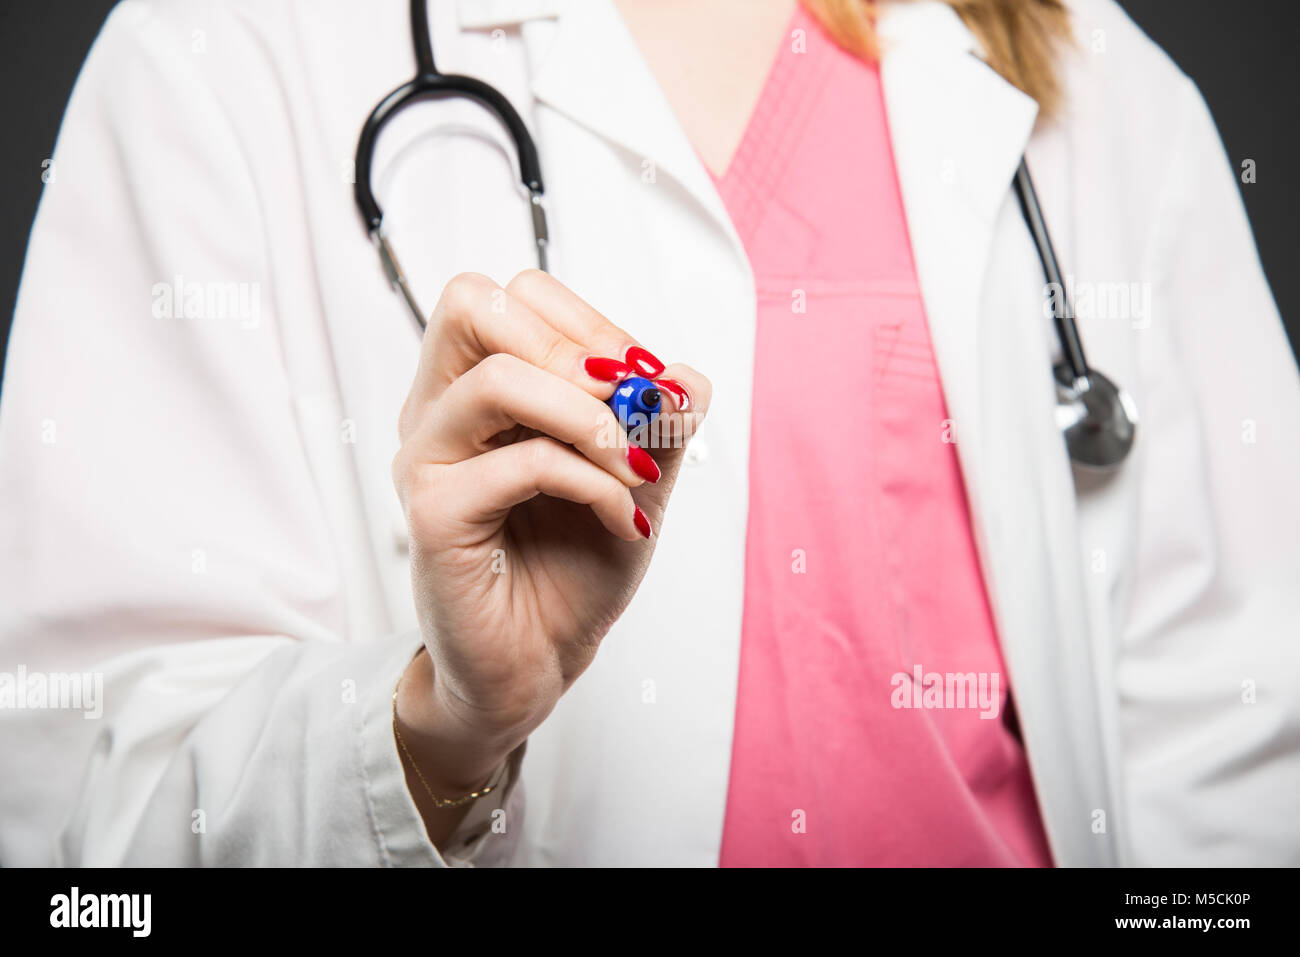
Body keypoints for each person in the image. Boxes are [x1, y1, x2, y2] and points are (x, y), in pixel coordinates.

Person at [1, 0, 1297, 867]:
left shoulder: (1102, 87)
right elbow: (80, 824)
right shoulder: (222, 52)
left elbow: (1237, 762)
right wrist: (436, 732)